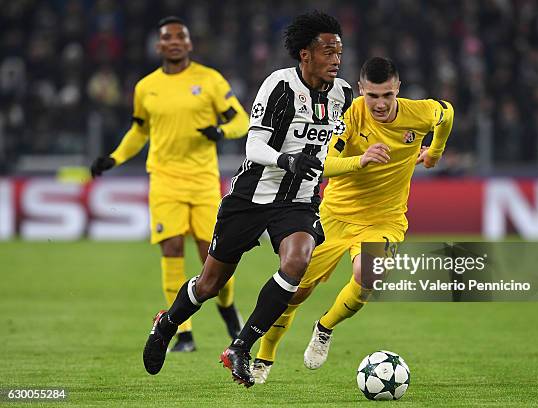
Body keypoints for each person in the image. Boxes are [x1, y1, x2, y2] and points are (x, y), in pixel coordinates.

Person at [142, 11, 353, 388]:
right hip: (251, 197)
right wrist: (288, 159)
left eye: (339, 51)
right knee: (210, 284)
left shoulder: (344, 95)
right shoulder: (279, 85)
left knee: (298, 260)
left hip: (299, 201)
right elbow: (254, 144)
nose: (336, 58)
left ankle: (241, 346)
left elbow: (345, 143)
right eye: (327, 51)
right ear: (305, 54)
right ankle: (168, 324)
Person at [250, 57, 455, 383]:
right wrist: (361, 160)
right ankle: (265, 354)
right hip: (334, 216)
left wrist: (434, 153)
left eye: (387, 95)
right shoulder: (345, 115)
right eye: (373, 96)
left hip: (384, 220)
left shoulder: (420, 112)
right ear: (361, 90)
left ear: (397, 89)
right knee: (294, 292)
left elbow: (447, 114)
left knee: (368, 274)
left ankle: (324, 327)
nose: (380, 104)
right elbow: (321, 164)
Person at [90, 16, 249, 352]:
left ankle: (228, 311)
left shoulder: (210, 80)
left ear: (189, 44)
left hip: (204, 181)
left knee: (214, 259)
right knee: (171, 248)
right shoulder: (146, 87)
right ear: (159, 45)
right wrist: (115, 158)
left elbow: (241, 119)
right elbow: (139, 130)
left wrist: (220, 131)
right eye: (167, 37)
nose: (174, 41)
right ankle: (183, 333)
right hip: (164, 180)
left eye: (180, 36)